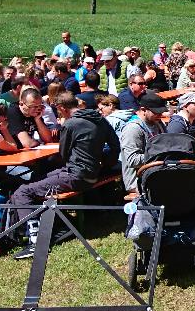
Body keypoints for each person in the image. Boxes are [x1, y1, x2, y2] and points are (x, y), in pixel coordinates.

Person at [12, 91, 119, 259]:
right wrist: (103, 165)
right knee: (38, 179)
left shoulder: (71, 124)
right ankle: (55, 223)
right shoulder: (99, 119)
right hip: (93, 173)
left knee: (22, 192)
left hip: (77, 176)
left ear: (61, 107)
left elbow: (63, 153)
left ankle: (35, 242)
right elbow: (115, 146)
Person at [118, 92, 168, 193]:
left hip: (158, 173)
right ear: (143, 110)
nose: (160, 115)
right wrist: (160, 155)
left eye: (161, 112)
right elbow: (132, 160)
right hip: (138, 182)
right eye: (156, 112)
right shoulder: (133, 129)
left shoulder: (158, 123)